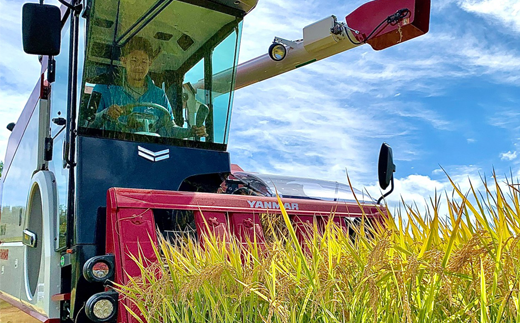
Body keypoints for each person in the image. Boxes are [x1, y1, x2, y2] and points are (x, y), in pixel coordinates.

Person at [88, 36, 206, 138]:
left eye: (144, 62)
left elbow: (170, 129)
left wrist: (191, 131)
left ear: (150, 63)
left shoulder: (159, 95)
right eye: (134, 61)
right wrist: (106, 113)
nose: (139, 67)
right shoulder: (104, 89)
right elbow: (88, 124)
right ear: (123, 61)